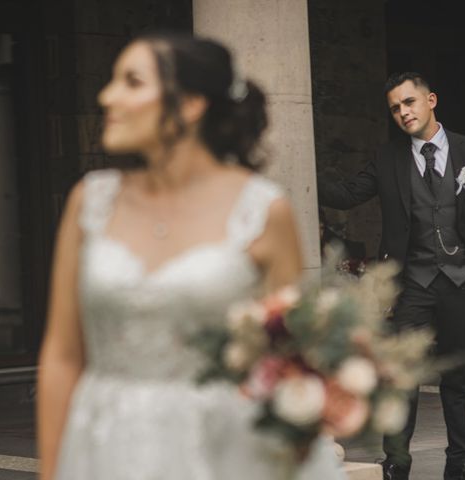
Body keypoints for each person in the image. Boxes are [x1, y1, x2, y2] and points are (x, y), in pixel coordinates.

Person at [37, 32, 345, 480]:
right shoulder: (89, 202)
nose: (108, 96)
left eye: (132, 81)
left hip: (222, 451)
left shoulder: (263, 211)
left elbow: (289, 364)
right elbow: (63, 354)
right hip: (104, 445)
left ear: (190, 104)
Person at [318, 72, 465, 480]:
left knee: (456, 376)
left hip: (463, 281)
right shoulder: (389, 158)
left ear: (431, 100)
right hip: (413, 284)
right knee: (401, 377)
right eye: (395, 107)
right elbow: (348, 195)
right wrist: (294, 165)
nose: (403, 112)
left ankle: (461, 461)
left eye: (409, 102)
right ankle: (396, 463)